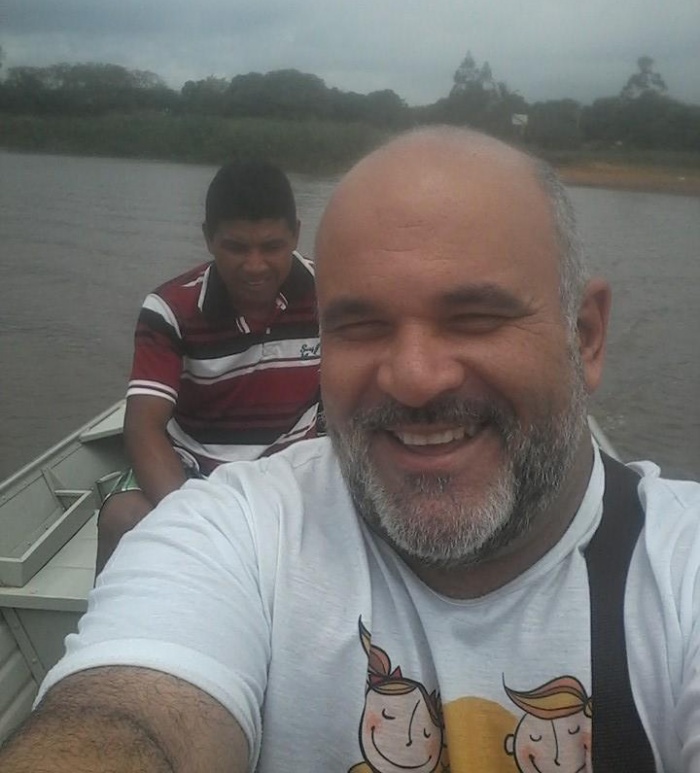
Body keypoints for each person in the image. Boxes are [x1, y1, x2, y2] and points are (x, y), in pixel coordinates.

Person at [2, 127, 698, 772]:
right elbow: (131, 718)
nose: (415, 377)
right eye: (361, 326)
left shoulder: (680, 571)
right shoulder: (237, 532)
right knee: (127, 519)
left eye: (475, 318)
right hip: (206, 477)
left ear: (586, 338)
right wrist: (185, 512)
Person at [95, 158, 321, 571]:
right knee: (121, 520)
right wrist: (198, 522)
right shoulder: (170, 310)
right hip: (194, 468)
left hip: (293, 469)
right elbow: (143, 427)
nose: (255, 266)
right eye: (236, 247)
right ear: (208, 238)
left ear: (296, 235)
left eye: (272, 247)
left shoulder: (331, 295)